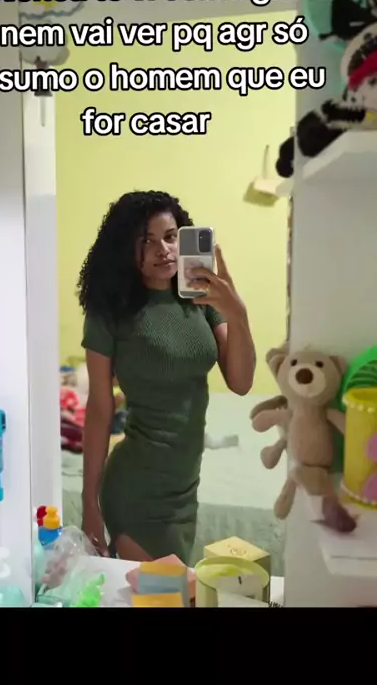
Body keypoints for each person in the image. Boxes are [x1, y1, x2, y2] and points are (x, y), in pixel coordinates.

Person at [77, 190, 256, 564]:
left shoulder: (199, 298)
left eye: (171, 237)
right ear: (126, 249)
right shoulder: (110, 311)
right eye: (147, 241)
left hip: (185, 488)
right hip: (138, 489)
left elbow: (241, 382)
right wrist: (89, 503)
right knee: (160, 593)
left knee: (171, 590)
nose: (164, 250)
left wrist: (237, 314)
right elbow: (99, 409)